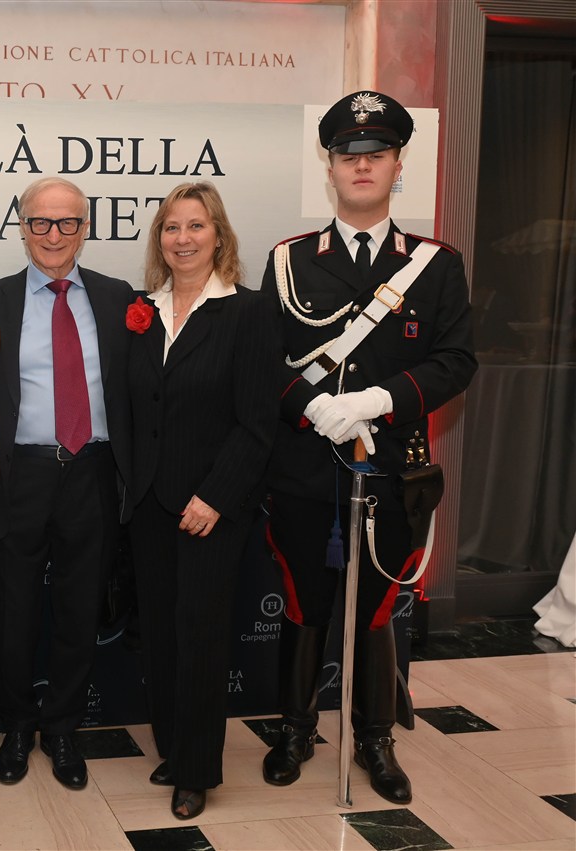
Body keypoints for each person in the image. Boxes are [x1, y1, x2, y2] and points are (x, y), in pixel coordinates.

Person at [259, 91, 477, 804]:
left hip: (390, 469)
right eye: (348, 155)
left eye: (376, 154)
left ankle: (376, 739)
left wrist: (377, 400)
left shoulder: (434, 265)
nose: (362, 166)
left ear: (397, 166)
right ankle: (294, 731)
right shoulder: (290, 260)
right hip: (303, 467)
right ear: (329, 167)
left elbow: (456, 361)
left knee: (379, 607)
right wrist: (312, 405)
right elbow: (264, 362)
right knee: (303, 602)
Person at [127, 182, 280, 819]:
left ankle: (196, 771)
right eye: (171, 227)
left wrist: (214, 497)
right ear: (159, 240)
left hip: (212, 508)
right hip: (149, 505)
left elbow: (257, 422)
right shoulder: (142, 310)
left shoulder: (248, 312)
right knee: (162, 636)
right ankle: (173, 746)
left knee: (200, 637)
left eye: (196, 226)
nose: (183, 238)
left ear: (219, 236)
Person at [0, 177, 137, 790]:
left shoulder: (118, 298)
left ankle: (64, 728)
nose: (53, 235)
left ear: (85, 228)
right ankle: (18, 725)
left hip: (93, 471)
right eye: (41, 222)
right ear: (22, 228)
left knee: (79, 609)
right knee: (12, 609)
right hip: (18, 474)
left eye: (67, 222)